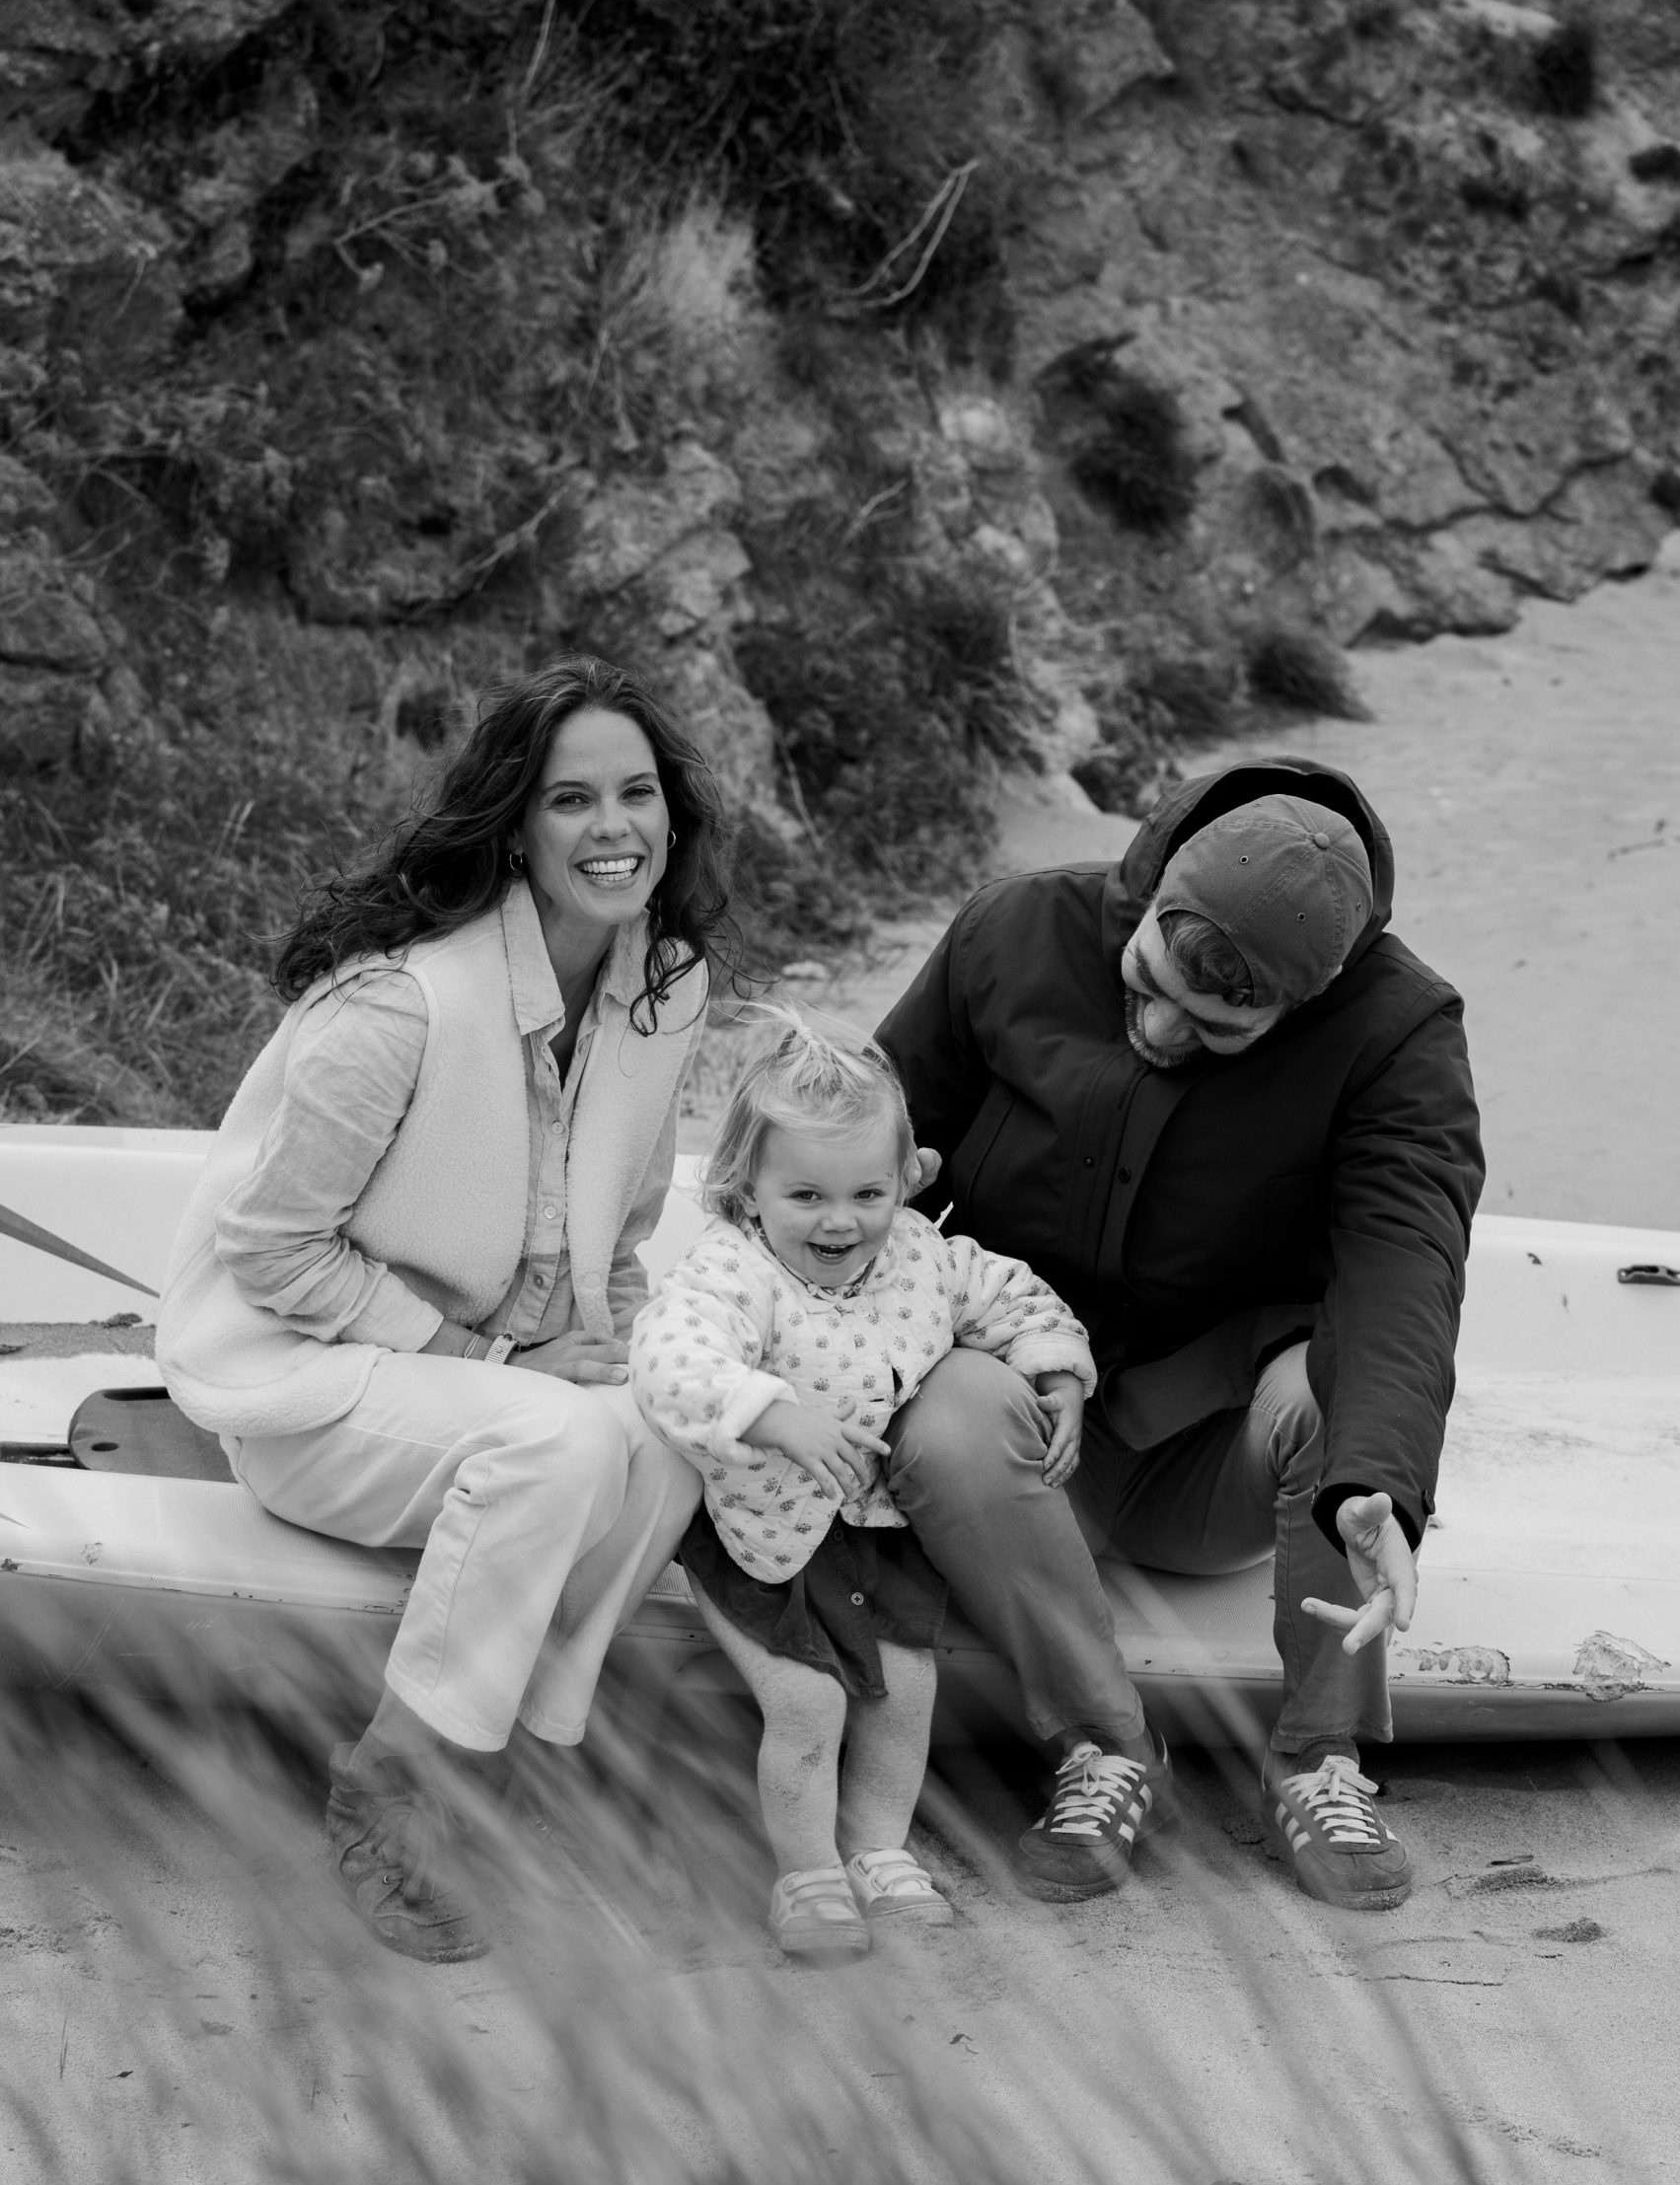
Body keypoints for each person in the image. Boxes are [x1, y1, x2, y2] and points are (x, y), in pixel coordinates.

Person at [156, 657, 735, 1963]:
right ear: (514, 828)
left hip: (501, 1376)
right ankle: (390, 1780)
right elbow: (273, 1258)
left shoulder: (662, 984)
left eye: (636, 794)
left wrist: (637, 1368)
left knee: (661, 1437)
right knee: (563, 1442)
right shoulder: (394, 1004)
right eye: (571, 800)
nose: (613, 830)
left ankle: (526, 1761)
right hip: (303, 1383)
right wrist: (497, 1354)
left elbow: (627, 1235)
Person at [876, 764, 1484, 1912]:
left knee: (1328, 1389)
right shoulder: (1014, 928)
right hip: (1019, 1435)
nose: (1158, 1030)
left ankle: (1321, 1760)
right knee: (949, 1408)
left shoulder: (1399, 1033)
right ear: (1151, 894)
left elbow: (1403, 1267)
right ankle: (1104, 1746)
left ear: (1303, 1003)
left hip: (1221, 1453)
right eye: (1145, 980)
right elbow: (864, 1160)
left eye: (1217, 1027)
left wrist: (1380, 1487)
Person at [629, 1019, 1101, 1959]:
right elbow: (668, 1357)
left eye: (866, 1193)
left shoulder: (921, 1255)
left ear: (906, 1181)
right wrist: (770, 1411)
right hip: (756, 1532)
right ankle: (805, 1874)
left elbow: (1009, 1293)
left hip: (878, 1530)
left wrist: (1056, 1370)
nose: (838, 1221)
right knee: (808, 1705)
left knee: (905, 1690)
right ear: (745, 1189)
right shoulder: (733, 1268)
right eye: (803, 1194)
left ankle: (876, 1847)